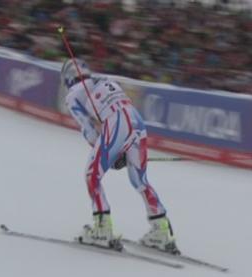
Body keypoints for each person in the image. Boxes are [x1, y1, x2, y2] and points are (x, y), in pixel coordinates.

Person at [61, 59, 179, 255]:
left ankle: (102, 229)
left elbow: (89, 130)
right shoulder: (106, 80)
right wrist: (119, 150)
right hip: (136, 121)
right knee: (140, 181)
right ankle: (162, 230)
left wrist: (108, 152)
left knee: (92, 175)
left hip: (117, 123)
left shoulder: (73, 95)